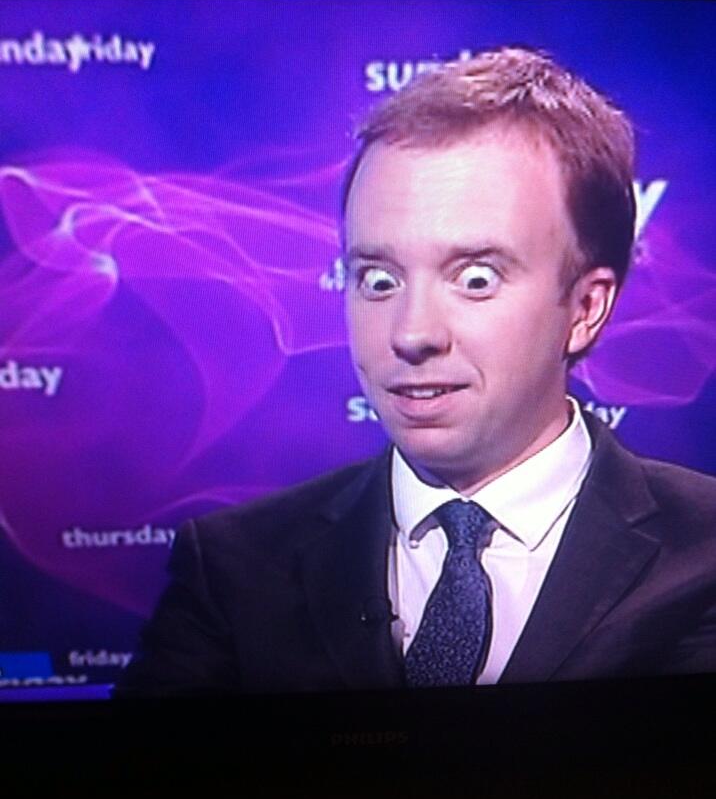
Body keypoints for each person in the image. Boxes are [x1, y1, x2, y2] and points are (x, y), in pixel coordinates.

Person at [116, 47, 716, 695]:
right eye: (379, 280)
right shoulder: (233, 571)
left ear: (585, 307)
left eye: (476, 279)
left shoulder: (704, 556)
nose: (411, 334)